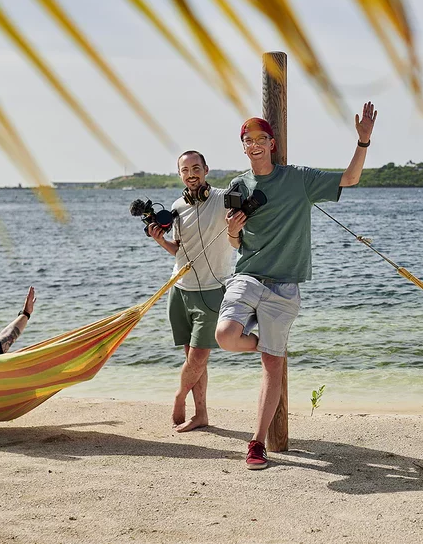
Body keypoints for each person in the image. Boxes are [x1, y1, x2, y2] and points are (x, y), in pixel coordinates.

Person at [216, 101, 378, 470]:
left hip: (285, 286)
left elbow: (349, 179)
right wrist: (231, 231)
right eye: (247, 140)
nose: (254, 144)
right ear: (243, 146)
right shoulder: (239, 185)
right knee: (226, 336)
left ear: (272, 144)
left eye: (261, 138)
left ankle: (256, 443)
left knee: (272, 367)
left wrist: (363, 142)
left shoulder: (298, 179)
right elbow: (235, 243)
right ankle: (266, 343)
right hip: (248, 275)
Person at [148, 150, 234, 432]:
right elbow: (179, 251)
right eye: (185, 171)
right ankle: (202, 415)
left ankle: (179, 397)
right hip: (180, 289)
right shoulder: (177, 206)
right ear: (180, 175)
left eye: (195, 168)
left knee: (198, 357)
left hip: (211, 290)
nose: (191, 175)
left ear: (206, 169)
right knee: (192, 360)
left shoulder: (222, 199)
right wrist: (160, 241)